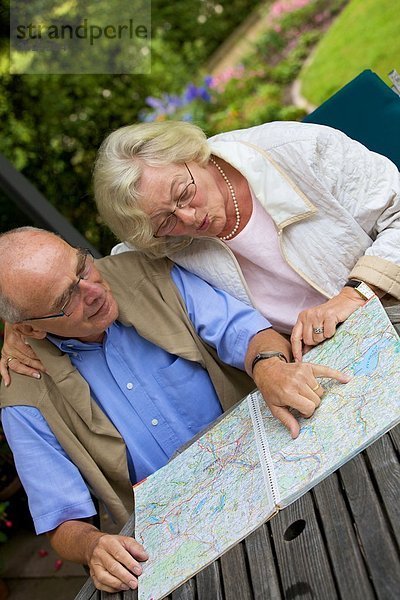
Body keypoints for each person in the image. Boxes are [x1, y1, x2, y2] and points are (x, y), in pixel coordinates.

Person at [0, 227, 348, 593]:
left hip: (276, 468)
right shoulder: (22, 395)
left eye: (81, 266)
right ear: (28, 329)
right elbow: (61, 519)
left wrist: (269, 366)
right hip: (187, 543)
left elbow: (243, 332)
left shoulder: (145, 272)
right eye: (67, 297)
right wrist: (92, 545)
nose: (92, 290)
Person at [93, 120, 400, 361]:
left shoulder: (296, 149)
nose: (188, 218)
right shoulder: (164, 242)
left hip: (389, 307)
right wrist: (46, 342)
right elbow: (101, 275)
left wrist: (354, 295)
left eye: (184, 194)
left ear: (191, 154)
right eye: (166, 220)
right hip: (331, 356)